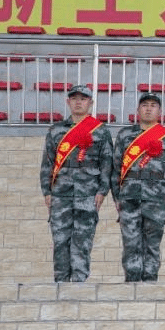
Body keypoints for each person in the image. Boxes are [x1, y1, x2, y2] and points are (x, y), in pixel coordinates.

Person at [39, 84, 113, 282]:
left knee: (82, 243)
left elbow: (107, 163)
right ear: (68, 102)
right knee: (60, 242)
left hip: (88, 195)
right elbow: (47, 163)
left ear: (90, 103)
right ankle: (61, 286)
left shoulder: (100, 131)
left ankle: (79, 287)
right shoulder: (56, 131)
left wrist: (102, 191)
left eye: (83, 99)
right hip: (60, 194)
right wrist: (47, 192)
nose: (78, 102)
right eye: (74, 98)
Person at [111, 92, 165, 282]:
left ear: (160, 111)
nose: (148, 109)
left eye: (153, 105)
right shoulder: (125, 135)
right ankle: (132, 283)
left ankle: (150, 285)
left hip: (157, 199)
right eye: (144, 105)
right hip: (129, 198)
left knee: (152, 246)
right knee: (130, 244)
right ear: (138, 110)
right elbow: (115, 169)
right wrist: (117, 197)